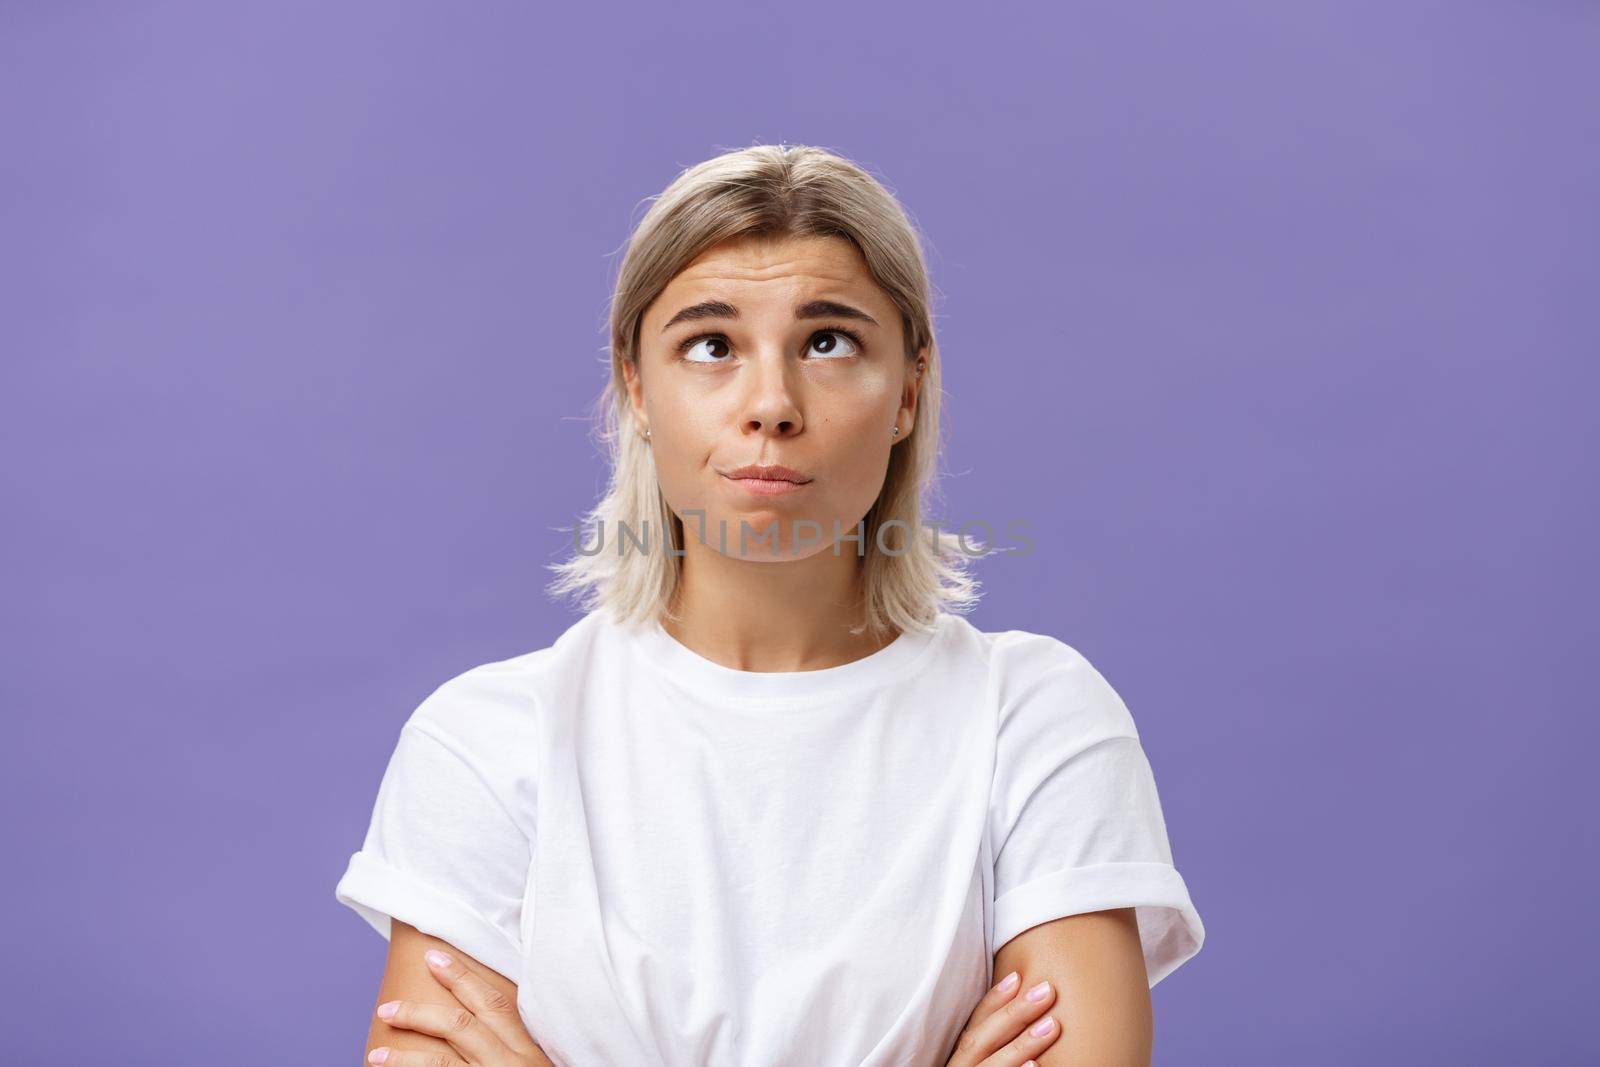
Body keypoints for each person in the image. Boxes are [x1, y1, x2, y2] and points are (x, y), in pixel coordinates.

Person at [334, 143, 1205, 1067]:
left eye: (828, 342)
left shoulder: (1034, 722)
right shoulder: (486, 741)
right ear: (636, 386)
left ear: (908, 387)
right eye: (710, 345)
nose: (771, 404)